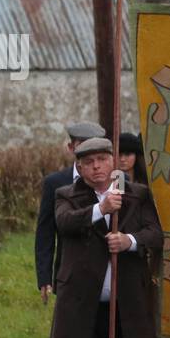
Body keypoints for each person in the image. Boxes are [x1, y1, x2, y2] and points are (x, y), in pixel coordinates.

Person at [49, 137, 164, 338]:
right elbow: (65, 223)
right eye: (89, 162)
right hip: (82, 305)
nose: (97, 166)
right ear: (80, 167)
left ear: (112, 161)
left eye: (102, 159)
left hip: (125, 303)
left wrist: (128, 241)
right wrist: (101, 209)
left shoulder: (137, 194)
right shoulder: (66, 196)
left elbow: (156, 235)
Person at [36, 121, 106, 306]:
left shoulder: (118, 179)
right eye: (82, 145)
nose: (89, 150)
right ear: (71, 148)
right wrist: (44, 276)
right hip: (70, 272)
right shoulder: (55, 182)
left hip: (108, 272)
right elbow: (46, 232)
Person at [118, 132, 160, 338]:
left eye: (128, 153)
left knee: (146, 315)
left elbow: (155, 228)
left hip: (145, 261)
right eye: (119, 154)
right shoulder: (111, 185)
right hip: (123, 263)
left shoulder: (146, 187)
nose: (123, 159)